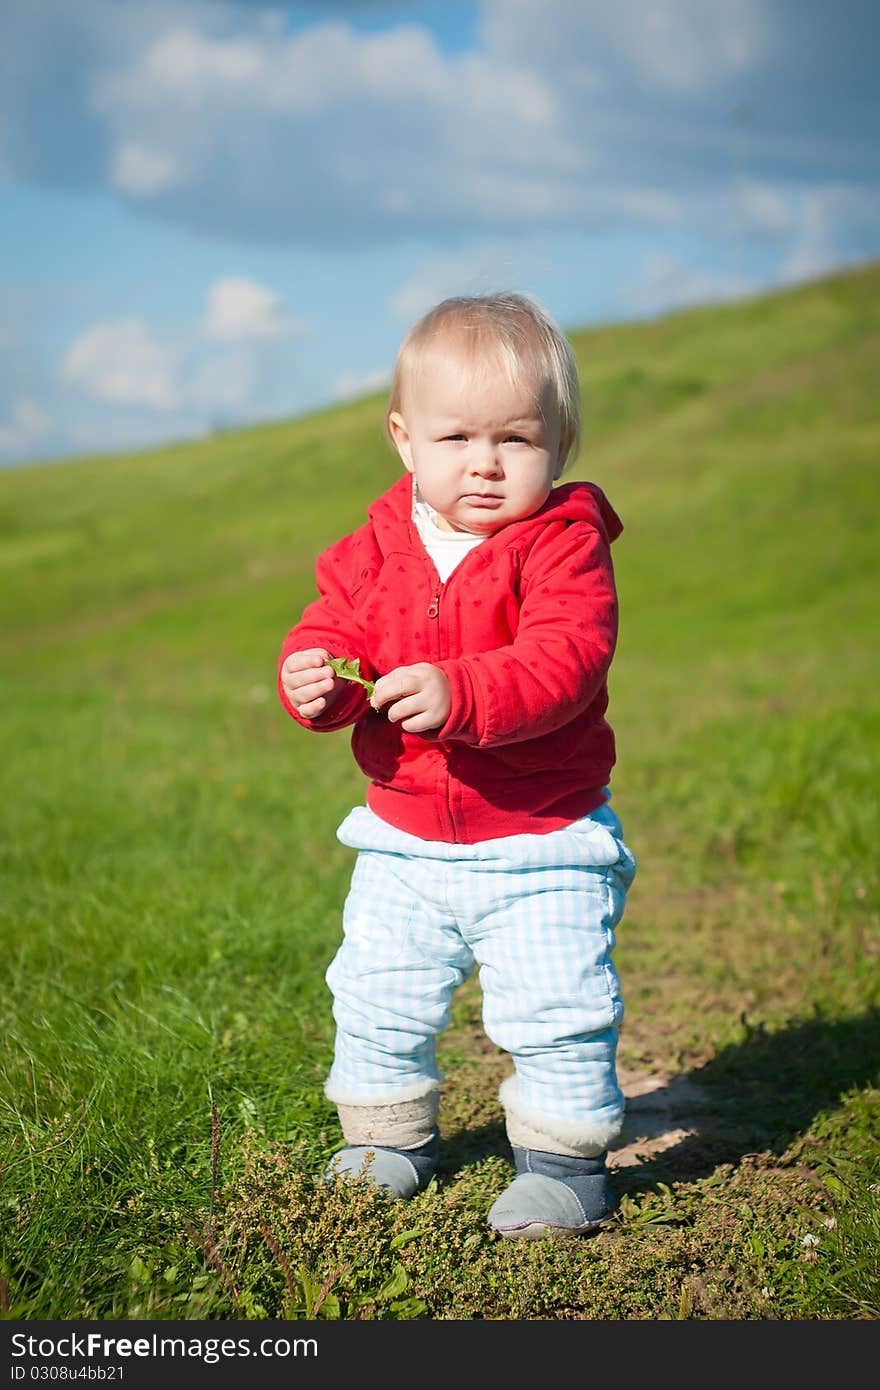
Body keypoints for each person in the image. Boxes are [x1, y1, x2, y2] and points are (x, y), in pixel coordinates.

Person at [277, 292, 636, 1239]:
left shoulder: (562, 544)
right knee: (377, 991)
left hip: (544, 835)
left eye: (516, 438)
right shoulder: (371, 552)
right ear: (404, 440)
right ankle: (385, 1134)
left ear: (561, 441)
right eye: (457, 438)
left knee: (556, 1003)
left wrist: (463, 693)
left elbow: (567, 658)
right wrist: (314, 680)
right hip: (401, 835)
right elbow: (332, 631)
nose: (485, 462)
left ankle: (563, 1165)